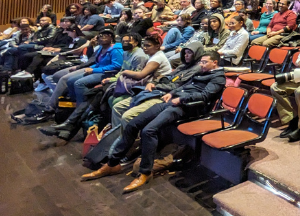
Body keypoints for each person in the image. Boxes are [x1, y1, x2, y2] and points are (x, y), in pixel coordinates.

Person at [81, 51, 226, 193]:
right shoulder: (201, 72)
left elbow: (205, 96)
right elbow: (184, 86)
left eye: (205, 62)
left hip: (188, 107)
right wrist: (172, 93)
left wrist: (181, 99)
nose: (201, 64)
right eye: (201, 61)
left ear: (215, 63)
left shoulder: (218, 78)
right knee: (133, 124)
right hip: (174, 102)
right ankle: (113, 163)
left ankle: (145, 172)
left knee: (149, 130)